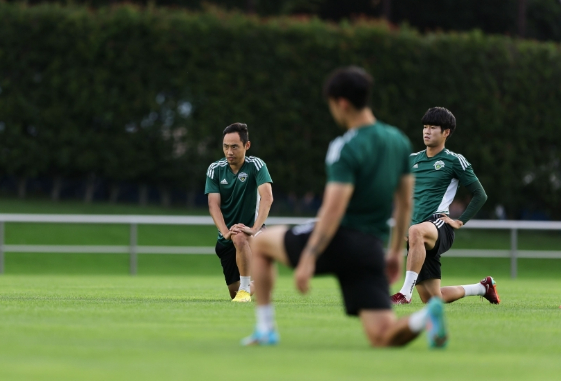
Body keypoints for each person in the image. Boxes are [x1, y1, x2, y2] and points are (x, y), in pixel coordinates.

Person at [242, 66, 447, 348]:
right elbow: (404, 204)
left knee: (262, 243)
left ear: (342, 103)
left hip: (338, 240)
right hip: (370, 248)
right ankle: (424, 317)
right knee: (382, 336)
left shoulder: (345, 146)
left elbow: (333, 209)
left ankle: (265, 330)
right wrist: (394, 252)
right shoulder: (398, 141)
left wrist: (310, 256)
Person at [390, 107, 498, 305]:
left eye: (433, 127)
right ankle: (482, 287)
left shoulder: (454, 160)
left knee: (416, 231)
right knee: (432, 299)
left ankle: (404, 293)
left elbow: (480, 194)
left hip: (438, 225)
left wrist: (460, 221)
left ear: (446, 132)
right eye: (425, 127)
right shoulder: (412, 160)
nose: (427, 131)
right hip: (416, 233)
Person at [205, 123, 274, 302]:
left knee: (241, 235)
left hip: (254, 233)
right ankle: (260, 281)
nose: (229, 152)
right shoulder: (215, 169)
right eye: (226, 146)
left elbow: (267, 198)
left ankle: (246, 287)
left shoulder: (256, 165)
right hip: (226, 237)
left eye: (234, 146)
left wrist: (254, 228)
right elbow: (213, 205)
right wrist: (225, 232)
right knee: (233, 294)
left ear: (247, 146)